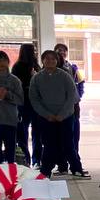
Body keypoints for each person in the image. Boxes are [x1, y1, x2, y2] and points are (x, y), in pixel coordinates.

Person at [30, 49, 83, 179]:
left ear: (57, 61)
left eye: (53, 59)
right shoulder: (37, 78)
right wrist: (47, 114)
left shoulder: (65, 75)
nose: (50, 61)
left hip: (65, 116)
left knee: (68, 144)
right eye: (47, 59)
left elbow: (72, 96)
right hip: (46, 117)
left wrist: (62, 114)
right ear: (42, 61)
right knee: (49, 145)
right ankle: (46, 171)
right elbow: (34, 99)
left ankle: (76, 169)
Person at [54, 42, 84, 174]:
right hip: (55, 111)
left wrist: (77, 100)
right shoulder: (48, 70)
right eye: (58, 50)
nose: (61, 52)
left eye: (64, 50)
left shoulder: (73, 68)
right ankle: (62, 164)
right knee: (58, 140)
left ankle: (75, 164)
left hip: (72, 108)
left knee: (73, 137)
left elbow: (80, 84)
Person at [11, 43, 40, 167]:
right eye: (32, 50)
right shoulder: (21, 67)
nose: (34, 52)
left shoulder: (33, 65)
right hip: (26, 104)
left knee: (30, 133)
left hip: (28, 104)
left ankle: (30, 160)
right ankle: (31, 160)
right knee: (29, 133)